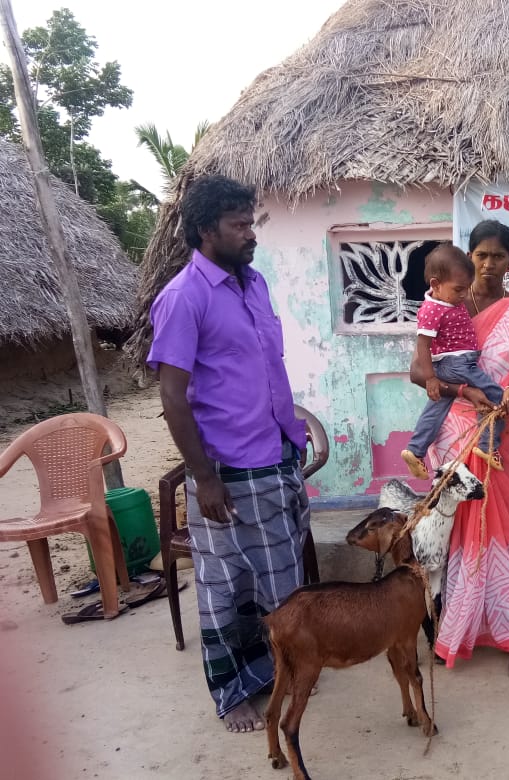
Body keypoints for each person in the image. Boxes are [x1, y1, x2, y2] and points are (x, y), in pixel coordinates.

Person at [147, 175, 310, 733]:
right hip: (228, 472)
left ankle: (284, 669)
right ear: (205, 231)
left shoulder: (255, 284)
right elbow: (173, 397)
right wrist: (204, 478)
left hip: (277, 456)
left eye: (251, 222)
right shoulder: (183, 297)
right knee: (226, 587)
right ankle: (232, 691)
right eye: (238, 225)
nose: (251, 233)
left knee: (282, 581)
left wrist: (292, 439)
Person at [410, 220, 509, 677]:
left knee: (508, 529)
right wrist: (464, 391)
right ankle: (453, 628)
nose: (489, 264)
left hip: (503, 436)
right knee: (456, 533)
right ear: (469, 257)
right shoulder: (446, 304)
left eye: (498, 256)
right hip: (454, 433)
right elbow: (419, 372)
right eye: (481, 255)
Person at [401, 244, 504, 479]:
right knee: (496, 395)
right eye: (458, 289)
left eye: (467, 288)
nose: (464, 295)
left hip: (453, 364)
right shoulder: (431, 310)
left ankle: (415, 450)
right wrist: (430, 379)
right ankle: (489, 446)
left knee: (436, 409)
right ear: (436, 284)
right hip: (457, 364)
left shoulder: (448, 302)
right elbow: (423, 346)